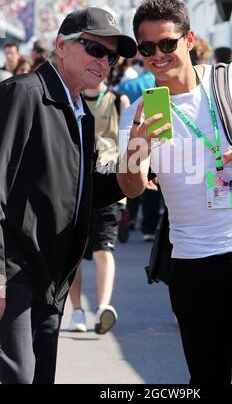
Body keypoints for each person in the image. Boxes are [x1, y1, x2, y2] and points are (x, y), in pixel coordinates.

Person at [117, 0, 232, 385]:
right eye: (147, 48)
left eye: (167, 43)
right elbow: (131, 189)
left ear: (188, 39)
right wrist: (138, 146)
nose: (158, 55)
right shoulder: (138, 113)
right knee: (207, 378)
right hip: (194, 263)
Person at [0, 6, 136, 384]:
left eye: (111, 55)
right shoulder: (23, 93)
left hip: (53, 276)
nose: (105, 61)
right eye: (95, 48)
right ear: (60, 46)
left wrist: (142, 162)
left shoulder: (81, 112)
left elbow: (84, 188)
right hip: (15, 270)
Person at [68, 82, 130, 334]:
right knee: (72, 253)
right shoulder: (73, 100)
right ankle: (77, 311)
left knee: (104, 247)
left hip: (110, 185)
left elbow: (129, 143)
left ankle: (103, 307)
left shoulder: (119, 101)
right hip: (77, 185)